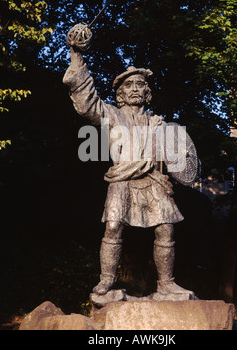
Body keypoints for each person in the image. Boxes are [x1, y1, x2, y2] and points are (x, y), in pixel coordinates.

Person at [63, 43, 189, 296]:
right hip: (122, 178)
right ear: (120, 93)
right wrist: (76, 54)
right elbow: (86, 102)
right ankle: (107, 279)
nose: (134, 89)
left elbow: (174, 159)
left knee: (166, 228)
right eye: (128, 86)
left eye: (140, 84)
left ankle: (166, 283)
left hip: (153, 180)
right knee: (112, 226)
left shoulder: (158, 123)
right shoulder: (109, 113)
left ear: (147, 91)